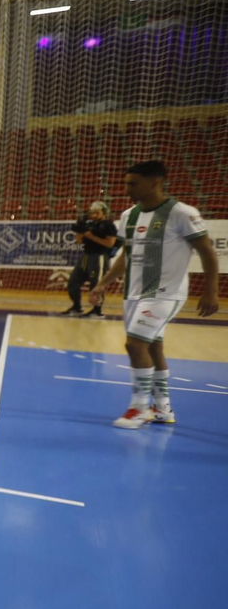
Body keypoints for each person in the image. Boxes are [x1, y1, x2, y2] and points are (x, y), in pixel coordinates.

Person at [91, 161, 218, 428]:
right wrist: (103, 283)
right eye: (126, 182)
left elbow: (207, 252)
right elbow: (126, 255)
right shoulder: (128, 216)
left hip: (166, 294)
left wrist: (210, 291)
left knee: (134, 345)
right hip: (135, 294)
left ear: (155, 182)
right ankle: (163, 409)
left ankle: (139, 409)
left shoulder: (182, 213)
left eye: (133, 183)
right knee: (153, 348)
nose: (127, 188)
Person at [64, 200, 119, 317]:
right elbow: (80, 242)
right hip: (86, 256)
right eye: (92, 213)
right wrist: (79, 231)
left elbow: (110, 243)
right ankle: (77, 307)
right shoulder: (90, 225)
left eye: (97, 213)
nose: (93, 215)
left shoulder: (109, 225)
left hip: (99, 256)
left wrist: (91, 236)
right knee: (73, 282)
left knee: (96, 284)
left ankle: (97, 310)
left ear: (104, 212)